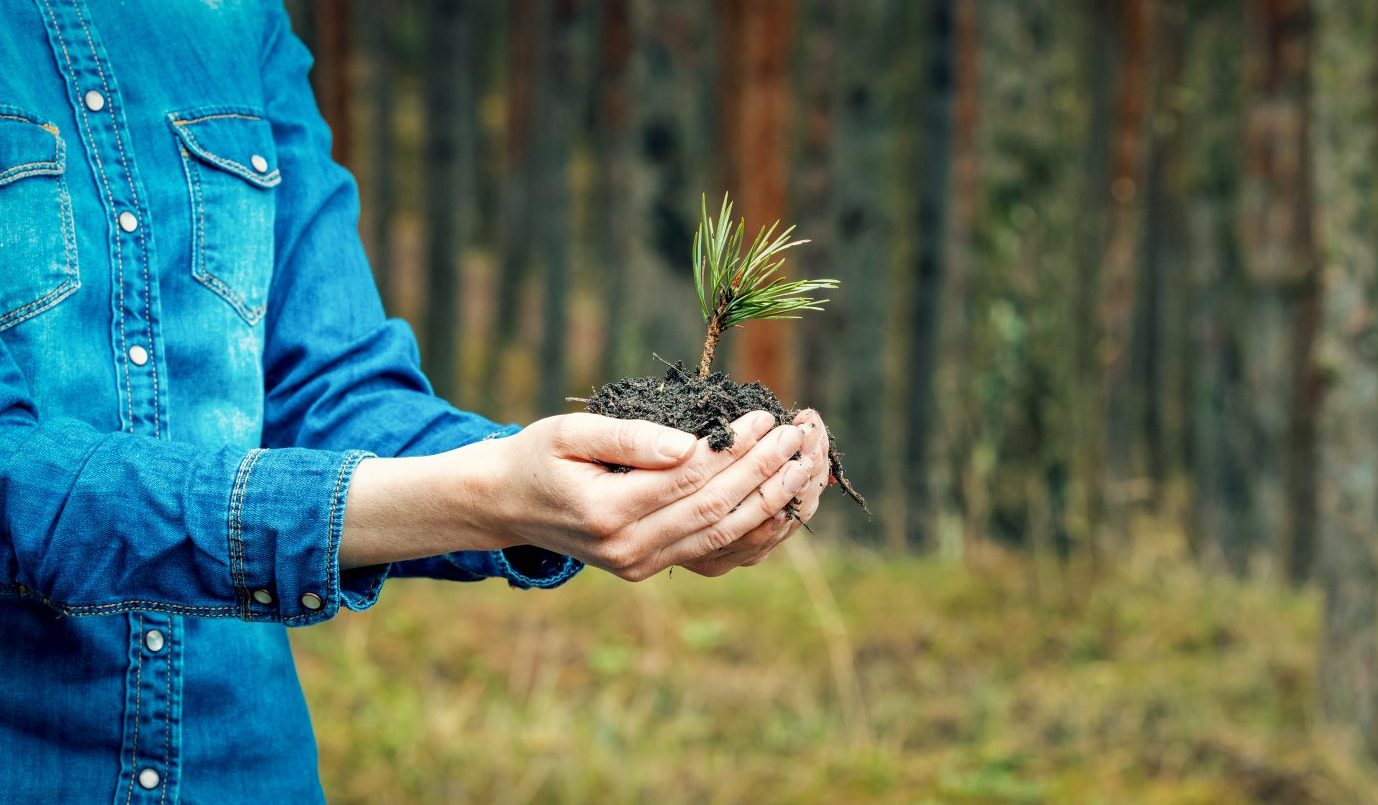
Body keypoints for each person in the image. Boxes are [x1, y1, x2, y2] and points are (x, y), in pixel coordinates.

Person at [0, 2, 833, 800]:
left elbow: (333, 390)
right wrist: (487, 496)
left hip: (247, 770)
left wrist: (580, 483)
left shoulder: (236, 21)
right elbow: (16, 483)